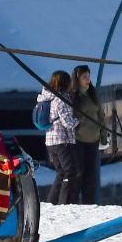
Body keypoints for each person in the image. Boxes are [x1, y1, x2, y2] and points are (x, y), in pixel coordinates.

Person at [38, 70, 82, 204]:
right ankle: (65, 203)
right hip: (62, 140)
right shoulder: (61, 99)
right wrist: (79, 121)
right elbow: (68, 122)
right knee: (70, 172)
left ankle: (52, 202)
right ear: (65, 83)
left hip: (50, 141)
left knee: (61, 172)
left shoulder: (46, 97)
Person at [71, 64, 107, 204]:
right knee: (79, 173)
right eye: (84, 77)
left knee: (92, 176)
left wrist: (104, 134)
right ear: (77, 79)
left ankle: (90, 203)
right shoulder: (74, 96)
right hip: (79, 140)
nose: (87, 79)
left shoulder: (93, 94)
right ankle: (75, 203)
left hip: (93, 139)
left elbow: (101, 115)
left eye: (88, 76)